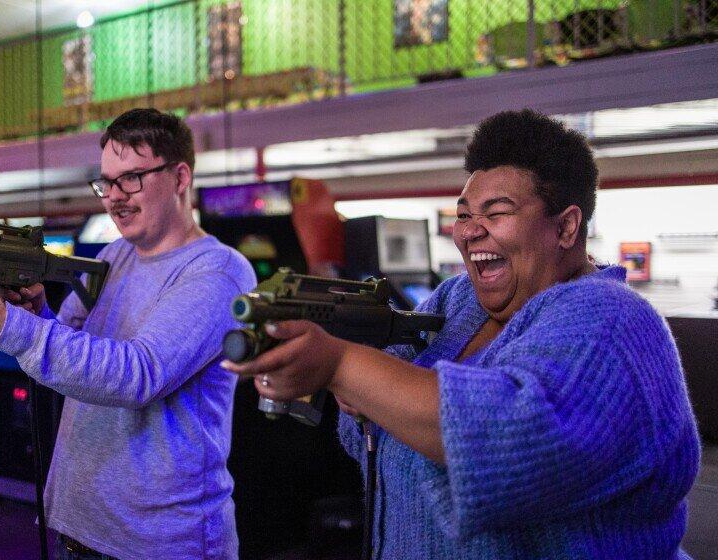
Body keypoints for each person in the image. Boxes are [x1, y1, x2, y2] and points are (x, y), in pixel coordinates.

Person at [224, 109, 701, 559]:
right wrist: (343, 380)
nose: (470, 231)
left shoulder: (613, 322)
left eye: (496, 213)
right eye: (465, 214)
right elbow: (366, 434)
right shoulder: (459, 301)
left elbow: (504, 440)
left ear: (567, 227)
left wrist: (342, 365)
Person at [0, 108, 256, 560]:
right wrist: (34, 313)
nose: (114, 197)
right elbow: (71, 358)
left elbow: (139, 374)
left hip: (160, 544)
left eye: (132, 178)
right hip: (79, 528)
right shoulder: (114, 256)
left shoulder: (218, 271)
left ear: (180, 178)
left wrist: (3, 321)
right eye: (106, 182)